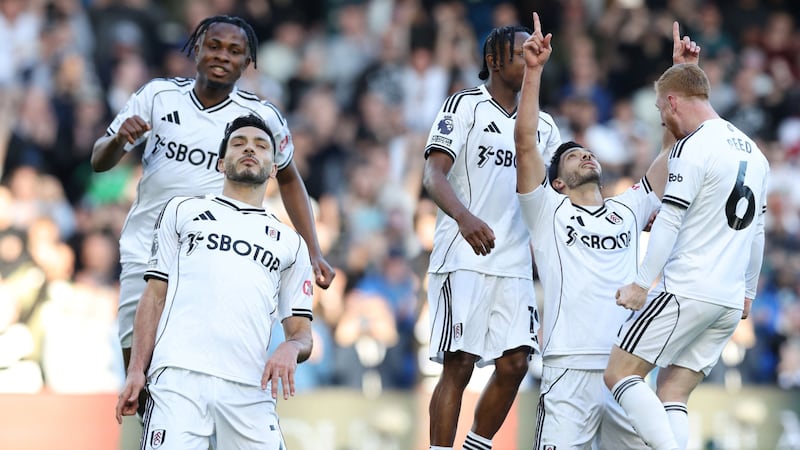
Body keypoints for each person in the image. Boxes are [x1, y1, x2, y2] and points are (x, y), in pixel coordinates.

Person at [91, 15, 333, 386]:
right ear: (197, 49)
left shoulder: (260, 117)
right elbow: (99, 160)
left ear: (247, 62)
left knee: (202, 370)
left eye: (234, 51)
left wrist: (313, 250)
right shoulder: (157, 96)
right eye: (215, 46)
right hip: (145, 249)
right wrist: (119, 139)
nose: (222, 55)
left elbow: (288, 177)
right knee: (139, 376)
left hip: (213, 255)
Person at [515, 14, 704, 450]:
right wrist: (534, 71)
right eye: (573, 156)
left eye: (588, 153)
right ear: (556, 182)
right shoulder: (547, 211)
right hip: (568, 368)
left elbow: (672, 149)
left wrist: (682, 81)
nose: (586, 156)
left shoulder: (627, 208)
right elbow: (525, 145)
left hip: (625, 369)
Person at [603, 28, 770, 450]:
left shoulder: (692, 148)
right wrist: (748, 292)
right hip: (727, 301)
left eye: (662, 110)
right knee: (672, 392)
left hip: (688, 289)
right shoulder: (755, 153)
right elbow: (758, 232)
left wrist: (641, 283)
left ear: (673, 102)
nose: (664, 120)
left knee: (620, 372)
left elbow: (670, 220)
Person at [115, 113, 313, 449]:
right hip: (178, 380)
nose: (249, 149)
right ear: (221, 163)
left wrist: (290, 348)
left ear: (274, 168)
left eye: (261, 145)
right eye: (239, 143)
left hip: (250, 387)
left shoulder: (291, 243)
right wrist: (136, 369)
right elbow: (154, 296)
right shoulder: (181, 211)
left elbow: (302, 334)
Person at [423, 24, 561, 450]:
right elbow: (432, 174)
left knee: (516, 364)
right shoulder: (464, 105)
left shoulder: (544, 127)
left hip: (515, 262)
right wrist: (464, 218)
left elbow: (553, 196)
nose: (528, 59)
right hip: (464, 255)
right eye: (520, 53)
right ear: (493, 60)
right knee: (460, 363)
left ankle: (476, 445)